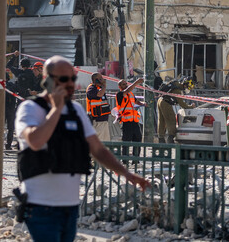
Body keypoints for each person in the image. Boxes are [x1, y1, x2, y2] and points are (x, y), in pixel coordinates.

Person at [15, 56, 150, 242]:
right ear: (47, 79)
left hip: (70, 206)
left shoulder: (75, 111)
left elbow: (98, 149)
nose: (70, 84)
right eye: (64, 79)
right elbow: (35, 141)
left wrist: (126, 173)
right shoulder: (30, 109)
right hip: (41, 206)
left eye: (72, 79)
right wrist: (57, 108)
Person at [156, 76, 193, 144]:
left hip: (160, 100)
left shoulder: (175, 83)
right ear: (185, 85)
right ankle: (170, 138)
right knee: (171, 120)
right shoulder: (178, 91)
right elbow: (182, 105)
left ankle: (161, 139)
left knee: (162, 121)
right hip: (166, 103)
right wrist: (191, 107)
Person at [116, 77, 144, 158]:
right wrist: (136, 82)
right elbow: (127, 90)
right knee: (126, 143)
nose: (125, 85)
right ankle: (125, 160)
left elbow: (136, 101)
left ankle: (136, 160)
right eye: (123, 84)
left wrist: (143, 103)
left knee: (138, 140)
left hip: (134, 122)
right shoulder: (120, 94)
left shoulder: (131, 94)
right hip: (126, 122)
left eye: (126, 84)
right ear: (119, 87)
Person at [85, 73, 111, 142]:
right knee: (98, 141)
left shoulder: (99, 88)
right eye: (101, 78)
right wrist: (104, 86)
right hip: (97, 120)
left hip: (103, 120)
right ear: (96, 80)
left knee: (106, 142)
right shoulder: (92, 88)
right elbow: (99, 94)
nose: (103, 79)